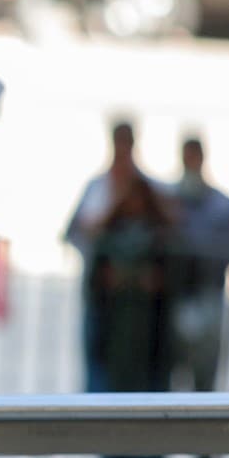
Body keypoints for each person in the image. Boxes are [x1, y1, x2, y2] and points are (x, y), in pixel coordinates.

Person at [84, 172, 176, 458]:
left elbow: (171, 286)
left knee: (149, 412)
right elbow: (96, 286)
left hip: (150, 343)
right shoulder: (110, 240)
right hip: (117, 341)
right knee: (116, 410)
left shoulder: (162, 241)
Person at [167, 135, 229, 458]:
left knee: (206, 398)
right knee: (161, 399)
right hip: (173, 306)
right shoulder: (167, 201)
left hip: (208, 305)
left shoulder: (223, 207)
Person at [65, 119, 160, 392]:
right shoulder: (98, 186)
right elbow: (76, 232)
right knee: (97, 363)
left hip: (139, 306)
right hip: (100, 294)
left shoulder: (146, 188)